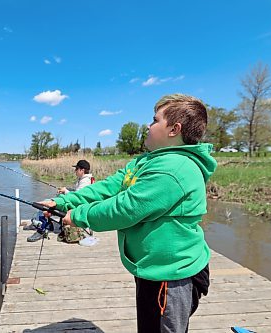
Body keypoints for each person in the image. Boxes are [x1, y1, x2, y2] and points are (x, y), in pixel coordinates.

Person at [39, 94, 217, 332]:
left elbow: (126, 208)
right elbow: (108, 188)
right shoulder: (145, 162)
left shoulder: (175, 168)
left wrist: (78, 216)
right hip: (152, 267)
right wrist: (61, 202)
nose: (148, 125)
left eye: (155, 120)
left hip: (172, 274)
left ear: (174, 129)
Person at [26, 159, 94, 242]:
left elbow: (77, 198)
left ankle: (41, 229)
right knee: (50, 201)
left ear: (82, 170)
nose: (75, 171)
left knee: (45, 205)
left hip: (74, 207)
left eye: (76, 169)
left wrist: (65, 192)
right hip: (76, 205)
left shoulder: (85, 181)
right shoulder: (86, 179)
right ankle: (41, 223)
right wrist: (65, 190)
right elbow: (77, 193)